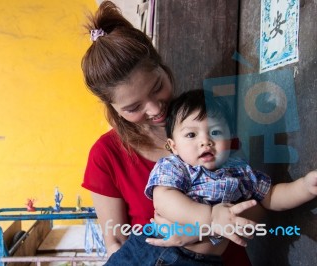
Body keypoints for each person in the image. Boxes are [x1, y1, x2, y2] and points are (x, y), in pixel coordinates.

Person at [81, 1, 262, 265]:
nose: (154, 108)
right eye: (133, 107)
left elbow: (255, 205)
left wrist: (197, 230)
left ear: (162, 67)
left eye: (157, 87)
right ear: (114, 108)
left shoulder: (210, 127)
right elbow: (116, 243)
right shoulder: (105, 155)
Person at [105, 89, 317, 265]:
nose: (205, 141)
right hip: (152, 250)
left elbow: (271, 197)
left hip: (204, 261)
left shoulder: (238, 171)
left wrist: (305, 187)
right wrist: (211, 218)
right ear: (173, 146)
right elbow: (164, 199)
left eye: (215, 132)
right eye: (191, 135)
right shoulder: (175, 166)